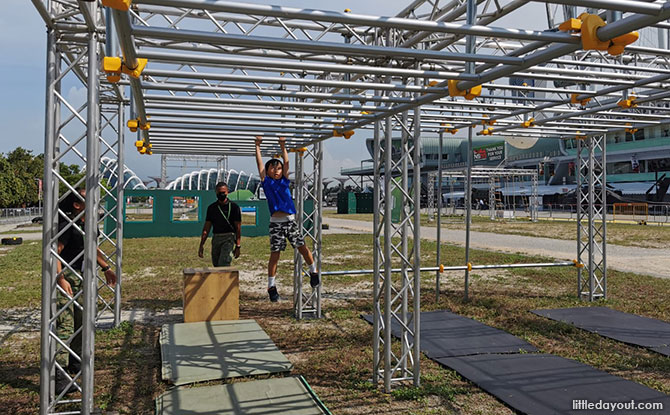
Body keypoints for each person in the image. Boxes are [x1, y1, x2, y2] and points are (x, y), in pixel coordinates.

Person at [55, 188, 117, 394]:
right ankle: (59, 374)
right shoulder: (68, 226)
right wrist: (60, 279)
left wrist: (106, 268)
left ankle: (75, 361)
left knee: (82, 323)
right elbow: (55, 253)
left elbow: (92, 248)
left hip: (83, 277)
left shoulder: (88, 226)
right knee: (66, 325)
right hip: (68, 277)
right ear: (77, 205)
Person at [255, 136, 320, 302]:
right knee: (275, 254)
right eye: (273, 168)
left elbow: (287, 162)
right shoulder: (266, 182)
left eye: (278, 168)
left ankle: (314, 271)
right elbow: (260, 164)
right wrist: (257, 146)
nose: (276, 170)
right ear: (268, 171)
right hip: (276, 223)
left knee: (302, 247)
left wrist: (282, 145)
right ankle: (271, 285)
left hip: (290, 220)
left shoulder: (284, 181)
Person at [199, 182, 242, 266]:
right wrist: (201, 245)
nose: (221, 194)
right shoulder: (212, 208)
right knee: (216, 265)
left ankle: (224, 279)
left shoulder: (234, 207)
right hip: (216, 238)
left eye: (223, 192)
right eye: (219, 193)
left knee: (224, 263)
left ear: (227, 192)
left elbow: (238, 228)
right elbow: (206, 228)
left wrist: (238, 246)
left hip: (229, 238)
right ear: (216, 192)